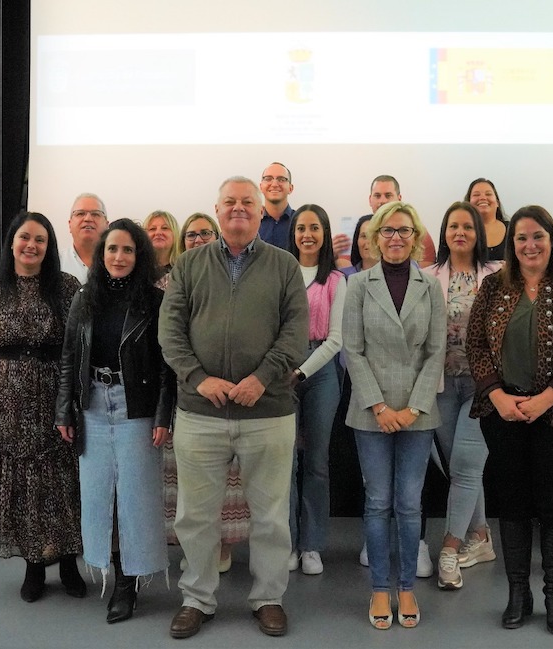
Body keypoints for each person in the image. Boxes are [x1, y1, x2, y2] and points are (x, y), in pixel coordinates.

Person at [159, 176, 308, 639]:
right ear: (217, 210)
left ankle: (268, 597)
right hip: (201, 411)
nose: (239, 209)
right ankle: (197, 598)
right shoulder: (188, 266)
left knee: (269, 515)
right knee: (195, 514)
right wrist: (201, 381)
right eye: (230, 202)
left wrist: (260, 379)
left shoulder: (284, 266)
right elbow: (171, 333)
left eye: (248, 202)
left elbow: (296, 333)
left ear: (261, 212)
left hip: (269, 411)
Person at [466, 205, 553, 635]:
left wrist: (546, 398)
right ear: (511, 245)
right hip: (502, 414)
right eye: (521, 238)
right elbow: (476, 346)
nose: (529, 245)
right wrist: (498, 395)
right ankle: (517, 592)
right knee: (514, 507)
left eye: (538, 236)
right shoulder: (492, 288)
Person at [54, 219, 176, 624]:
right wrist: (64, 409)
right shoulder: (85, 299)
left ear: (139, 256)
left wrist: (162, 414)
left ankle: (128, 583)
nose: (119, 257)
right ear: (101, 255)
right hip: (91, 405)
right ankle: (106, 567)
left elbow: (165, 367)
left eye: (127, 250)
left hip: (135, 407)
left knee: (137, 499)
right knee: (97, 497)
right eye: (112, 249)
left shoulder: (154, 303)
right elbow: (70, 358)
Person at [0, 211, 84, 603]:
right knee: (22, 486)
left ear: (49, 248)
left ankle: (68, 562)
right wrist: (10, 371)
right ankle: (33, 565)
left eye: (41, 240)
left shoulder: (66, 287)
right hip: (1, 404)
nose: (31, 245)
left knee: (59, 481)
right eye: (25, 237)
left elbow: (78, 343)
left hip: (54, 397)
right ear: (12, 242)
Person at [343, 201, 446, 630]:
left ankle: (407, 587)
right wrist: (382, 408)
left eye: (405, 230)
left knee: (408, 504)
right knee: (378, 502)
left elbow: (436, 351)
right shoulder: (359, 286)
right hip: (372, 414)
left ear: (417, 237)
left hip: (417, 414)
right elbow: (353, 350)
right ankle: (380, 590)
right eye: (388, 230)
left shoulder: (430, 287)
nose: (397, 238)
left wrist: (411, 409)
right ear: (375, 237)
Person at [422, 201, 502, 590]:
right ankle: (482, 536)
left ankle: (450, 549)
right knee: (459, 468)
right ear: (444, 233)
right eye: (453, 226)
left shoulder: (499, 274)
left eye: (467, 227)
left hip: (484, 384)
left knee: (468, 465)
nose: (460, 233)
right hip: (442, 384)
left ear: (478, 233)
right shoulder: (427, 277)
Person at [165, 211, 250, 572]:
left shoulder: (239, 274)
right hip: (190, 395)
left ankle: (223, 548)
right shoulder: (175, 279)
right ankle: (197, 553)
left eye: (205, 233)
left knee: (231, 483)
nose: (197, 239)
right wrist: (198, 378)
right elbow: (171, 335)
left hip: (239, 396)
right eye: (190, 235)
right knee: (193, 487)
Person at [285, 204, 346, 575]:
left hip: (320, 372)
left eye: (314, 228)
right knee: (285, 464)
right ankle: (288, 543)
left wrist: (301, 372)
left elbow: (337, 339)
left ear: (324, 234)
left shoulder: (338, 280)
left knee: (317, 464)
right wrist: (286, 370)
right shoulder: (281, 274)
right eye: (301, 227)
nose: (307, 234)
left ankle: (311, 545)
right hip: (282, 372)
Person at [335, 175, 436, 269]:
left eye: (388, 195)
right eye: (377, 196)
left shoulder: (416, 230)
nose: (382, 201)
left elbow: (426, 272)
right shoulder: (356, 228)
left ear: (399, 199)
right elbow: (344, 264)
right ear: (370, 200)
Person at [63, 193, 110, 283]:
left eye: (95, 214)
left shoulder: (117, 263)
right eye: (80, 214)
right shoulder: (56, 263)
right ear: (70, 225)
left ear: (107, 225)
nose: (88, 219)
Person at [464, 178, 508, 261]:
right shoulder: (460, 232)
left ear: (497, 202)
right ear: (468, 203)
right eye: (476, 195)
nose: (483, 198)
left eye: (488, 194)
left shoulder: (513, 229)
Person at [258, 162, 296, 249]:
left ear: (290, 188)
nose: (274, 184)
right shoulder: (251, 223)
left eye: (281, 179)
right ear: (261, 187)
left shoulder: (300, 222)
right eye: (268, 179)